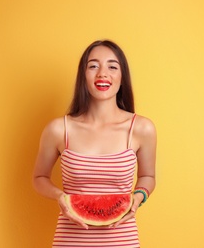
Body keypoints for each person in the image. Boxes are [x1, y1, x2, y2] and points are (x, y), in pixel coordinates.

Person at [33, 40, 157, 247]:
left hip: (121, 241)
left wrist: (138, 196)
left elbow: (148, 176)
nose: (102, 73)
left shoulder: (141, 128)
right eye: (93, 66)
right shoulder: (59, 129)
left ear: (122, 77)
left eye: (112, 66)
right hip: (70, 240)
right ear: (83, 76)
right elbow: (39, 177)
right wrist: (60, 196)